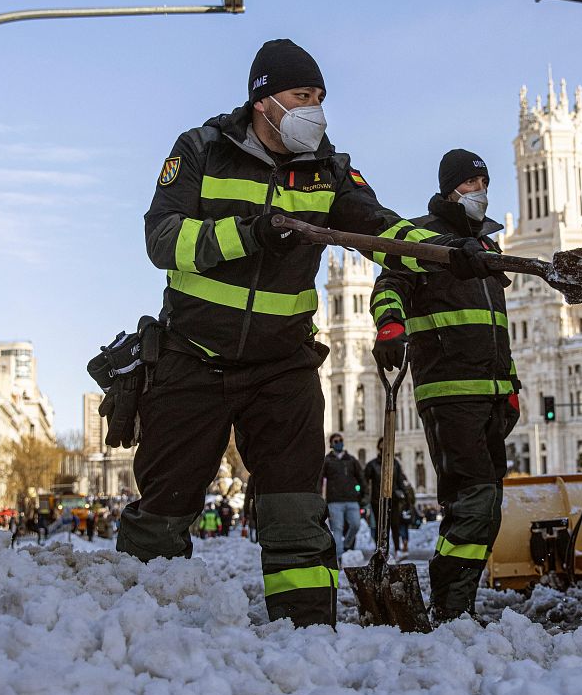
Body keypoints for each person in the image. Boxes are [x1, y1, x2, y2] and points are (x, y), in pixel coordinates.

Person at [116, 39, 496, 627]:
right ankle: (137, 630)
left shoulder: (329, 171)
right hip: (192, 358)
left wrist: (449, 252)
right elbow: (162, 239)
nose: (314, 109)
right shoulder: (201, 150)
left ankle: (306, 633)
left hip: (282, 366)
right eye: (301, 95)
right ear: (263, 101)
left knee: (296, 513)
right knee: (165, 509)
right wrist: (251, 233)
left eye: (319, 96)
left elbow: (381, 228)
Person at [370, 149, 519, 621]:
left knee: (486, 505)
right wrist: (390, 325)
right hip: (449, 391)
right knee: (474, 502)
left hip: (491, 393)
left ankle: (457, 604)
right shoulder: (424, 239)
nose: (480, 192)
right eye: (471, 183)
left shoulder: (488, 248)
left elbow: (496, 328)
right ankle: (452, 607)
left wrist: (510, 383)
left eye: (484, 183)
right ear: (450, 188)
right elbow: (388, 285)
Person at [362, 438, 410, 556]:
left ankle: (397, 549)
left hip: (393, 499)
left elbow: (400, 481)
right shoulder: (372, 464)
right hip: (377, 500)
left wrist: (406, 496)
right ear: (378, 447)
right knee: (380, 526)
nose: (384, 447)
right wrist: (363, 495)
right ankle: (380, 551)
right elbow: (364, 481)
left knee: (395, 524)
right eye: (382, 445)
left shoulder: (395, 463)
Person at [322, 433, 364, 560]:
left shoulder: (351, 460)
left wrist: (364, 495)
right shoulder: (327, 461)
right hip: (334, 501)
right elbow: (320, 480)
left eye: (340, 440)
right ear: (331, 444)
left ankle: (346, 545)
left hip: (352, 499)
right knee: (337, 529)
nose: (339, 443)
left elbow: (361, 478)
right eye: (336, 441)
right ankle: (339, 557)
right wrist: (319, 497)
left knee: (356, 524)